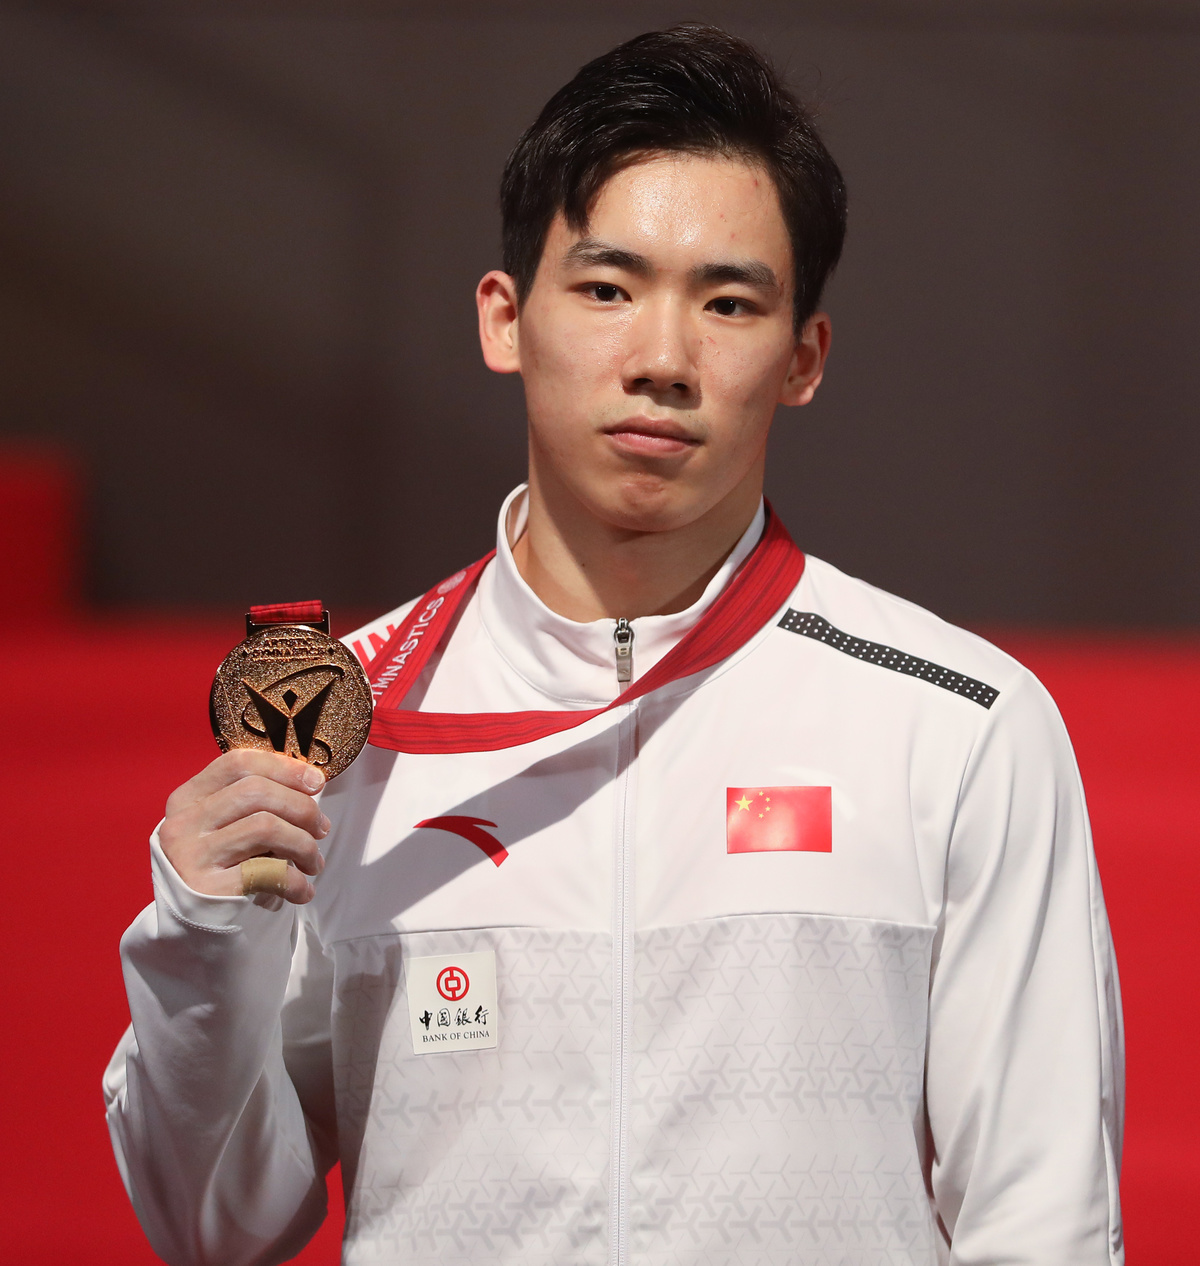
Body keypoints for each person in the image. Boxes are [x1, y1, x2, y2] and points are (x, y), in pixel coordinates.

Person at [104, 23, 1124, 1266]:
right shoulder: (344, 727)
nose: (662, 361)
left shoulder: (955, 725)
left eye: (729, 303)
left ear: (803, 358)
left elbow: (1044, 1224)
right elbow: (215, 1228)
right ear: (504, 320)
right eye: (606, 289)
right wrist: (202, 935)